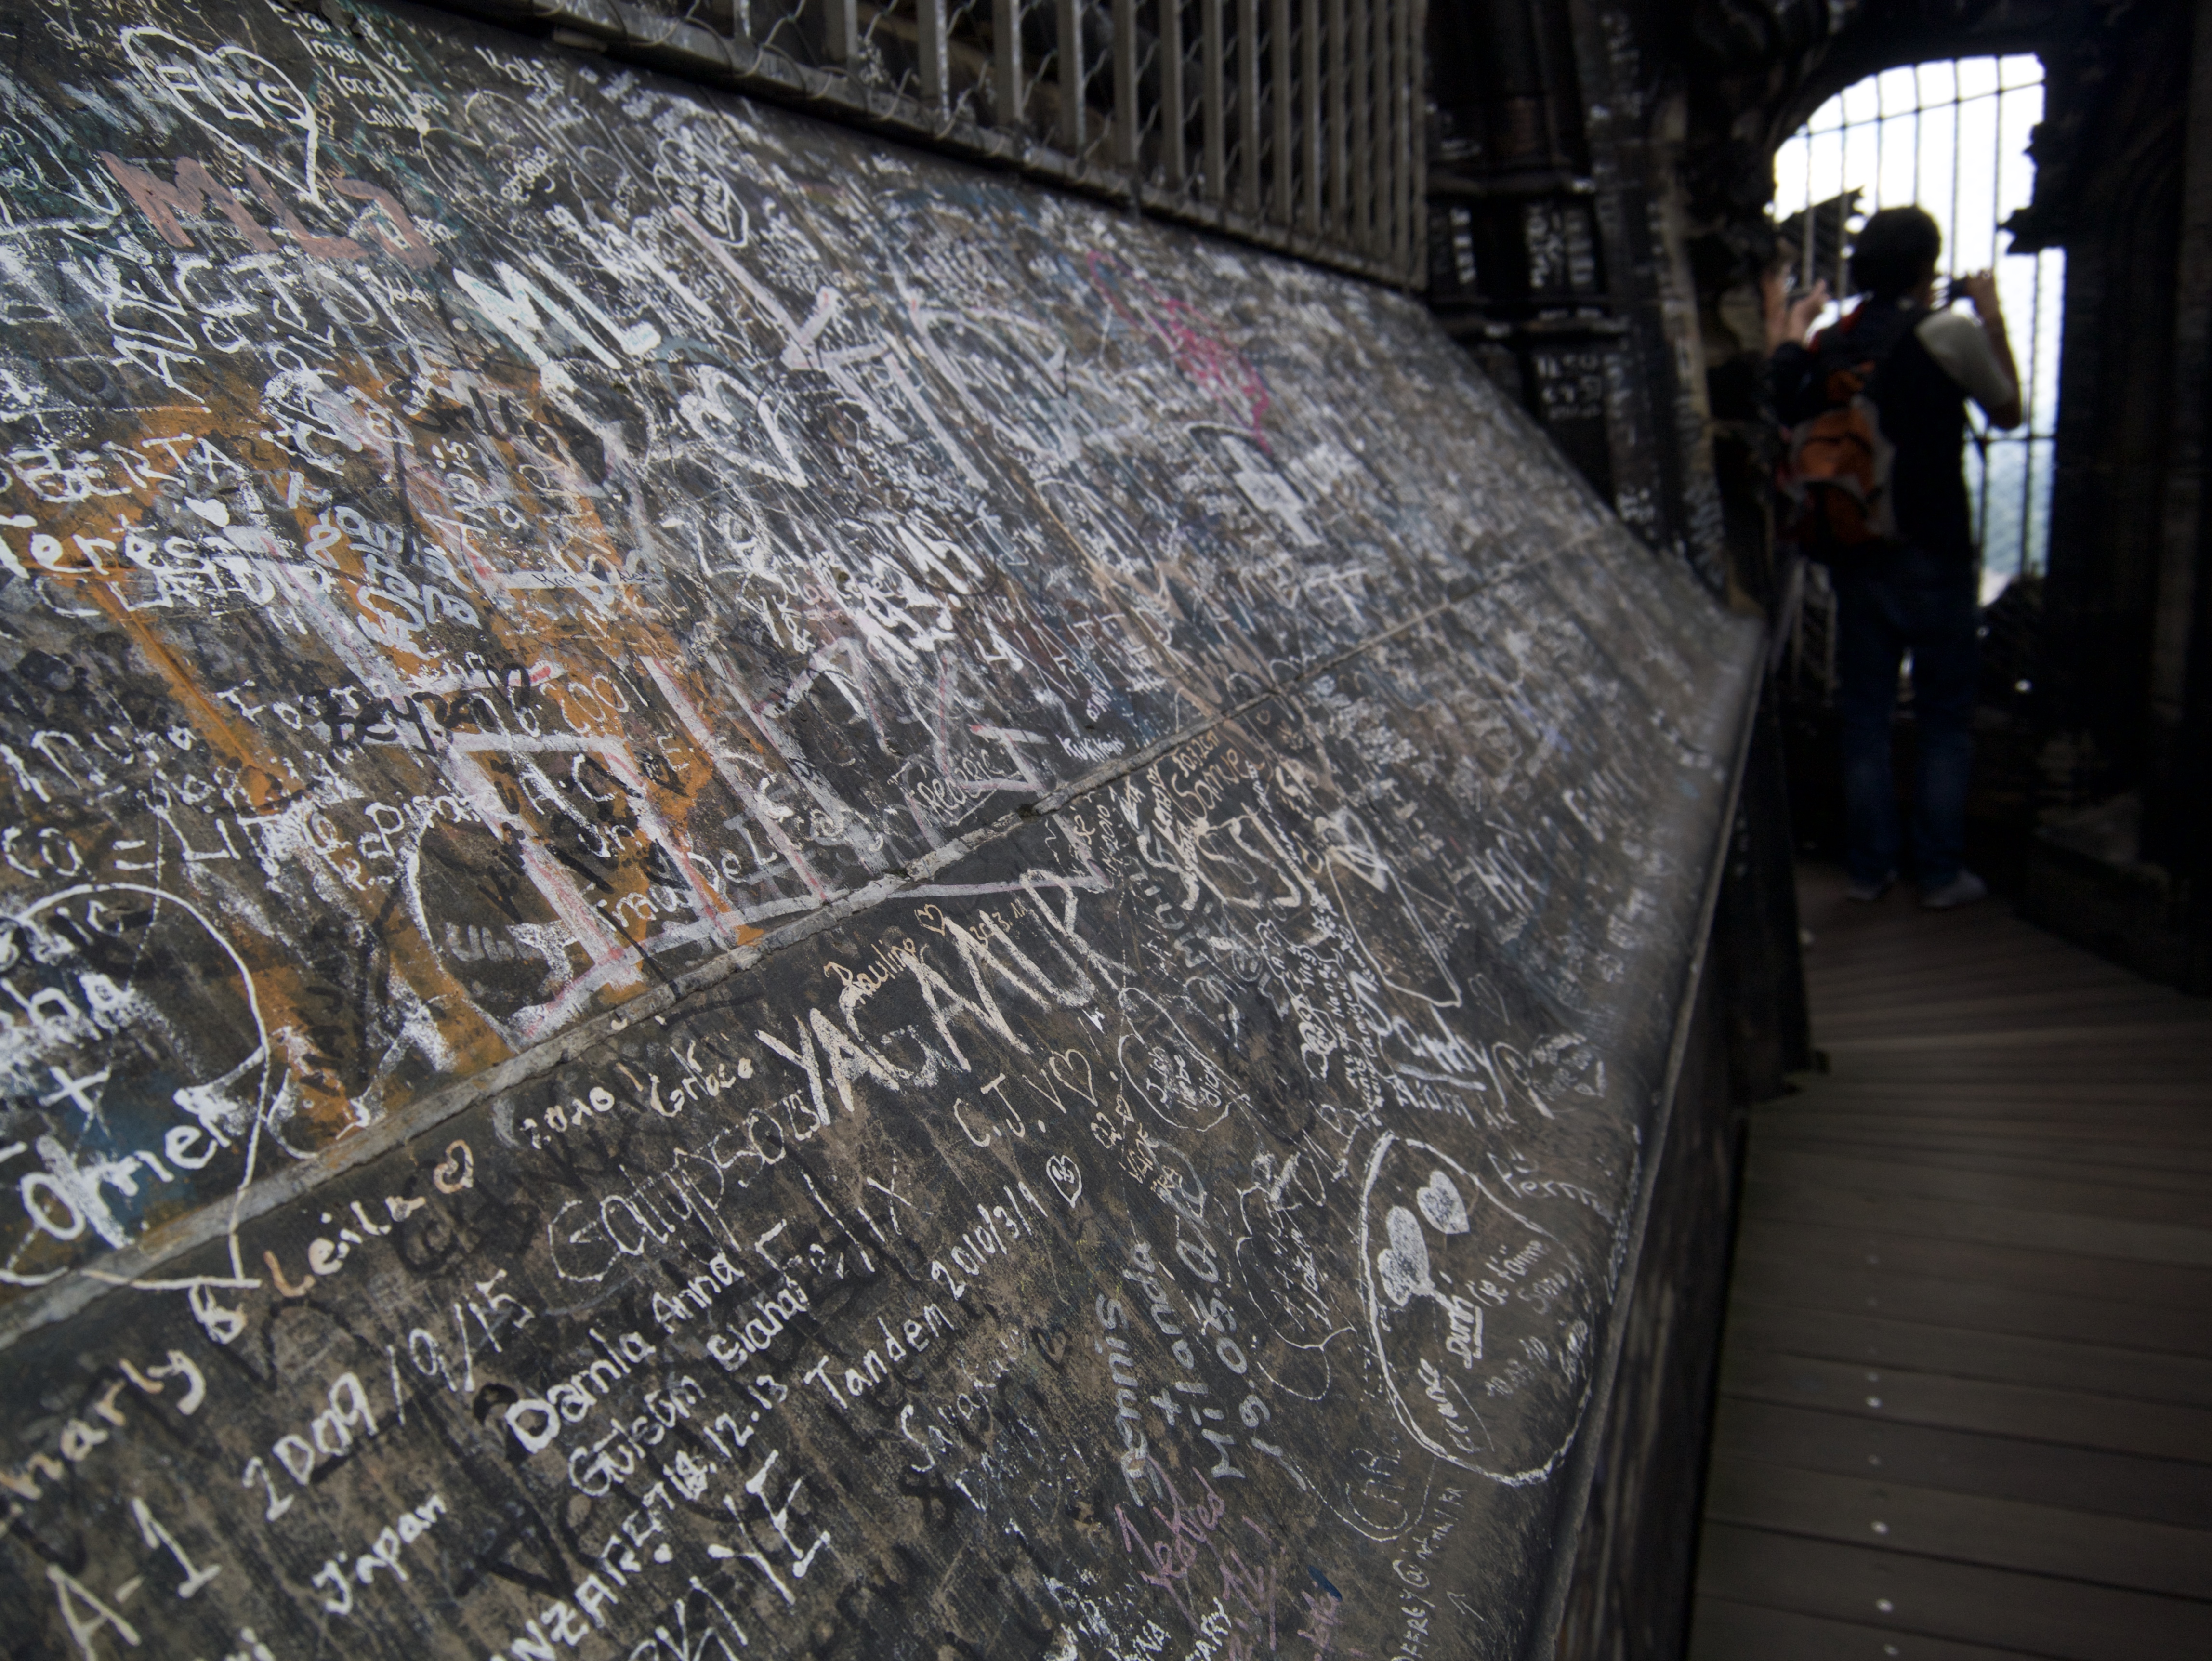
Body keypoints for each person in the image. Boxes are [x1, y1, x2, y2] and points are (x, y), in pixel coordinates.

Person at [1764, 206, 2023, 909]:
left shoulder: (1833, 343)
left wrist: (1792, 319)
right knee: (1944, 720)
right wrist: (1990, 312)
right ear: (1925, 266)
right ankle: (1939, 875)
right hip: (1933, 548)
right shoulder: (1946, 332)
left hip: (1855, 548)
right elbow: (2008, 412)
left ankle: (1867, 869)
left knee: (1865, 717)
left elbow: (1779, 389)